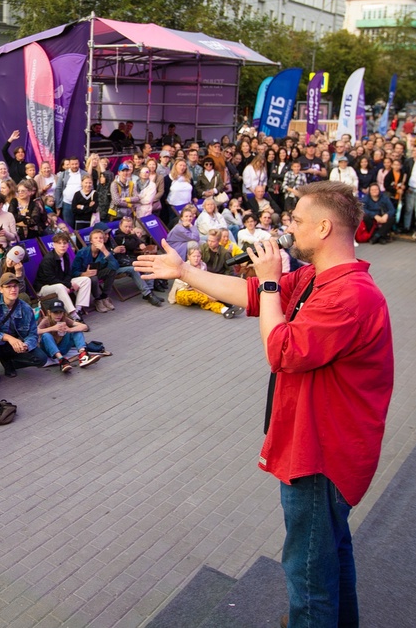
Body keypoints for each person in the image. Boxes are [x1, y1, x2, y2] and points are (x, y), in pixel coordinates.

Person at [135, 180, 393, 628]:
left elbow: (281, 350)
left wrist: (271, 279)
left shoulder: (349, 295)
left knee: (308, 570)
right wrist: (185, 274)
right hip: (318, 446)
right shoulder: (320, 277)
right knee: (330, 554)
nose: (287, 226)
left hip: (321, 456)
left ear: (325, 227)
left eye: (296, 219)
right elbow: (254, 296)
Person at [0, 273, 40, 384]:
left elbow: (33, 334)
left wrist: (26, 345)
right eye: (8, 287)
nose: (13, 290)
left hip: (12, 346)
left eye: (15, 286)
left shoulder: (26, 308)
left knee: (40, 358)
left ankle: (9, 361)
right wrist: (8, 338)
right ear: (1, 289)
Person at [34, 232, 92, 319]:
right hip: (44, 287)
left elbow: (68, 273)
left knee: (86, 280)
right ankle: (73, 315)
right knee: (60, 287)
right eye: (59, 243)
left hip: (61, 282)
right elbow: (51, 279)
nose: (62, 246)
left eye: (64, 243)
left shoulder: (66, 256)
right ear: (54, 245)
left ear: (68, 245)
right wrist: (68, 285)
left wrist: (68, 283)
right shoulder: (48, 259)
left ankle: (78, 309)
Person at [111, 215, 163, 307]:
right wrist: (135, 238)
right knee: (143, 265)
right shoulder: (119, 237)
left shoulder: (129, 235)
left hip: (132, 258)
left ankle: (150, 291)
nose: (128, 229)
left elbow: (141, 243)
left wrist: (139, 242)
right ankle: (148, 294)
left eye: (130, 227)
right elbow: (131, 245)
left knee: (149, 264)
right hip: (124, 261)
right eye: (126, 227)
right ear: (120, 226)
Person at [36, 299, 97, 372]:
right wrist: (52, 328)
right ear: (49, 312)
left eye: (60, 312)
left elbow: (84, 327)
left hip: (62, 347)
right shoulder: (46, 320)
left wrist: (69, 330)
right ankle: (62, 361)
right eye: (55, 312)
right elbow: (36, 331)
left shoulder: (64, 319)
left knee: (76, 330)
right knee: (46, 335)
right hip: (49, 350)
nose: (58, 315)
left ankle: (83, 355)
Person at [72, 227, 119, 313]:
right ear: (91, 241)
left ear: (104, 240)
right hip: (84, 277)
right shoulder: (82, 252)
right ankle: (98, 299)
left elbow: (115, 266)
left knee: (112, 271)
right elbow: (73, 272)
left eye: (101, 238)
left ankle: (104, 296)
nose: (98, 240)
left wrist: (104, 251)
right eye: (96, 238)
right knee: (93, 278)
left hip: (98, 273)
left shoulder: (105, 251)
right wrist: (84, 273)